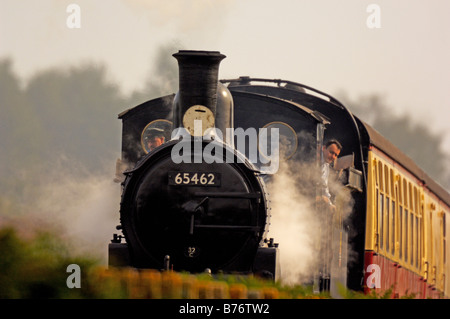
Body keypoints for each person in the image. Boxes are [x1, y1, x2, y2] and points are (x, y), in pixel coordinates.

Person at [318, 139, 342, 213]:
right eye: (331, 152)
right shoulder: (314, 160)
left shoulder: (326, 166)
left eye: (336, 155)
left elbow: (324, 187)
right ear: (324, 148)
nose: (333, 157)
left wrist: (330, 204)